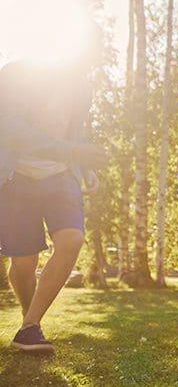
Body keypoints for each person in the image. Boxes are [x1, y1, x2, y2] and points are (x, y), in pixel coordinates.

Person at [0, 58, 107, 353]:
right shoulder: (17, 74)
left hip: (61, 176)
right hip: (16, 176)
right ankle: (29, 322)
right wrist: (74, 151)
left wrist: (85, 168)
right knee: (23, 263)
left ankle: (30, 326)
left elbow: (75, 131)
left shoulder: (82, 89)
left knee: (72, 238)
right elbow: (12, 131)